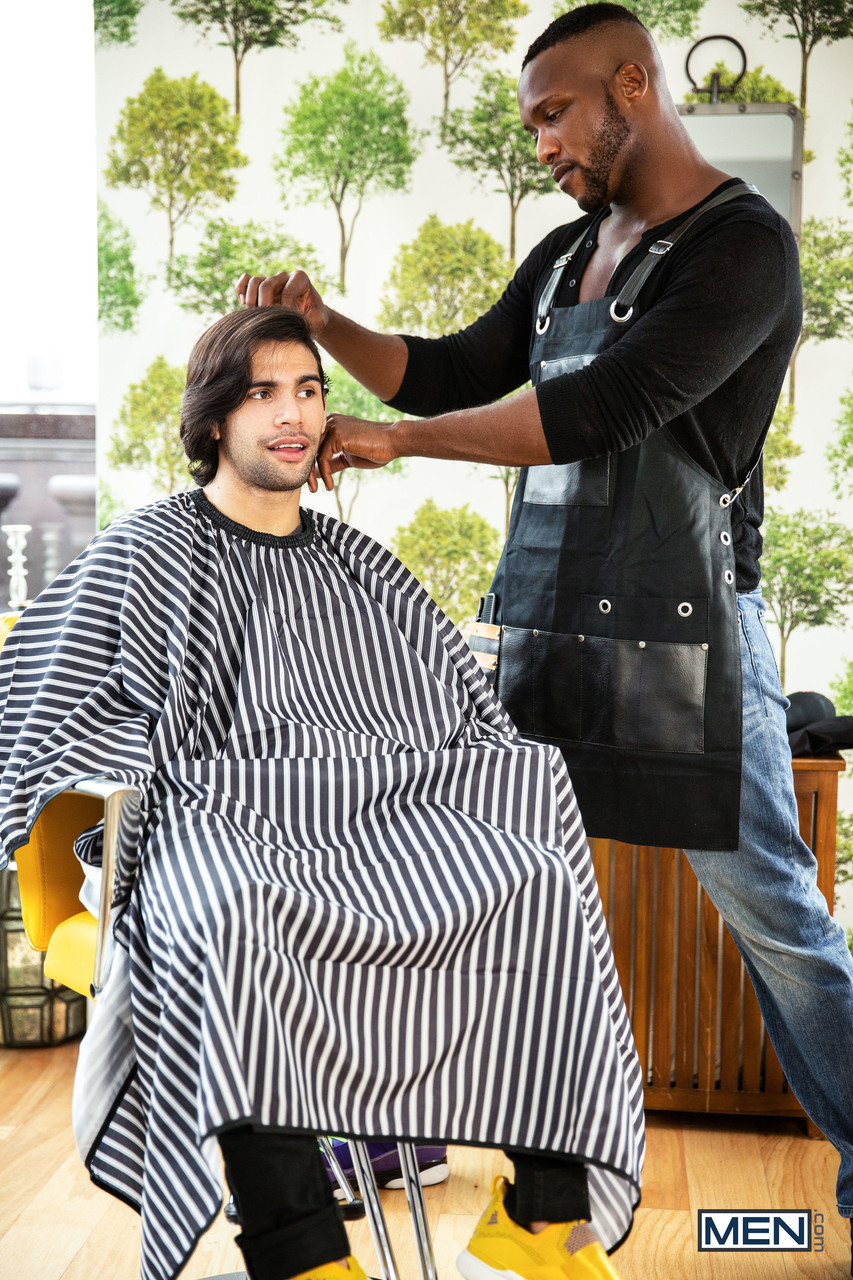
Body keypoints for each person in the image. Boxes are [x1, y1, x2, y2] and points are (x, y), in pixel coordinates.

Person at [237, 0, 853, 1249]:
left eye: (554, 115)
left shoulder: (745, 246)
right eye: (530, 128)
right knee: (488, 890)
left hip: (689, 639)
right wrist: (324, 323)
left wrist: (396, 444)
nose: (543, 146)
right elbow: (455, 368)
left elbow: (599, 408)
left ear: (632, 85)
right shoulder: (572, 251)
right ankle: (489, 1166)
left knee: (778, 921)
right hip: (550, 621)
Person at [0, 307, 643, 1280]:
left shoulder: (361, 565)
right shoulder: (144, 551)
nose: (291, 414)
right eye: (262, 393)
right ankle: (299, 1249)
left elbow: (464, 721)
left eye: (307, 390)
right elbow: (38, 683)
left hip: (370, 824)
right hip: (214, 824)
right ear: (216, 416)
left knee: (541, 880)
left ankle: (542, 1219)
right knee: (236, 910)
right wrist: (135, 754)